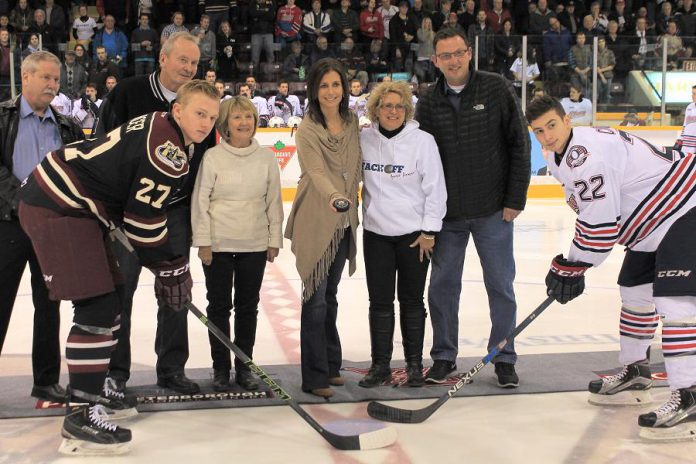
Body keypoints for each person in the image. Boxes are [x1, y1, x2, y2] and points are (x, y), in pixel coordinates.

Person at [18, 79, 220, 456]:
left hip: (69, 203)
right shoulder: (170, 148)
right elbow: (143, 219)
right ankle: (80, 414)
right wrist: (171, 265)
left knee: (107, 305)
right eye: (199, 113)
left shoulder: (160, 123)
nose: (206, 122)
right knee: (97, 307)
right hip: (59, 206)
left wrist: (166, 266)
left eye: (212, 116)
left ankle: (91, 396)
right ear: (178, 110)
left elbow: (131, 209)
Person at [526, 94, 696, 443]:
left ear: (568, 120)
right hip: (652, 223)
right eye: (539, 131)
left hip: (684, 208)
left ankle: (690, 395)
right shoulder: (559, 157)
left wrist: (571, 265)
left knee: (675, 304)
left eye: (552, 126)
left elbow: (601, 228)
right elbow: (599, 220)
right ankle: (635, 371)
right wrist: (573, 264)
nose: (547, 136)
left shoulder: (586, 155)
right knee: (634, 291)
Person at [95, 32, 213, 396]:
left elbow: (202, 163)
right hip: (127, 212)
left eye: (194, 63)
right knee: (121, 291)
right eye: (183, 60)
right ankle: (115, 371)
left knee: (175, 289)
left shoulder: (201, 104)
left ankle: (172, 369)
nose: (189, 68)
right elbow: (102, 146)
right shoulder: (128, 92)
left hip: (173, 213)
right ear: (162, 58)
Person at [416, 27, 530, 387]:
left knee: (500, 285)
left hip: (493, 209)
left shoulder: (495, 88)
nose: (452, 61)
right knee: (442, 286)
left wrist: (514, 199)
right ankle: (444, 356)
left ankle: (504, 356)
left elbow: (519, 144)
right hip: (447, 216)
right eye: (444, 56)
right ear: (435, 61)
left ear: (469, 54)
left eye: (458, 53)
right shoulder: (429, 102)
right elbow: (420, 161)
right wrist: (426, 214)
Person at [0, 51, 84, 405]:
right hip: (8, 225)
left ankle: (47, 382)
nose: (53, 85)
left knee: (49, 305)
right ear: (26, 76)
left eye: (56, 80)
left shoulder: (67, 125)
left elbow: (80, 172)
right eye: (46, 78)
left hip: (52, 228)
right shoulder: (3, 118)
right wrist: (21, 201)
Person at [358, 80, 446, 388]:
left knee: (411, 300)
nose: (392, 111)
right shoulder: (364, 138)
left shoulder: (422, 141)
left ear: (407, 110)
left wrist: (430, 231)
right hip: (376, 234)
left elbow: (436, 189)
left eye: (398, 106)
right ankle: (380, 365)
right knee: (379, 301)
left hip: (414, 236)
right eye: (386, 105)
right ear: (376, 109)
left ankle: (413, 365)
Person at [191, 96, 283, 392]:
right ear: (226, 124)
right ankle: (220, 369)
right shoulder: (213, 157)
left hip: (254, 244)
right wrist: (203, 241)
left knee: (247, 308)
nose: (245, 123)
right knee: (218, 308)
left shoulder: (267, 157)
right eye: (237, 117)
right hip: (217, 245)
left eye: (249, 117)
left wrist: (274, 239)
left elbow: (273, 201)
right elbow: (200, 201)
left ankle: (245, 368)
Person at [284, 58, 361, 398]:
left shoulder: (352, 122)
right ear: (315, 91)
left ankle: (331, 366)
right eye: (324, 85)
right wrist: (336, 197)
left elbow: (358, 166)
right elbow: (314, 171)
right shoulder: (308, 128)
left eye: (336, 84)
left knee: (329, 297)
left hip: (343, 223)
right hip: (317, 218)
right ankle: (314, 377)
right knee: (314, 298)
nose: (330, 91)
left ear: (344, 88)